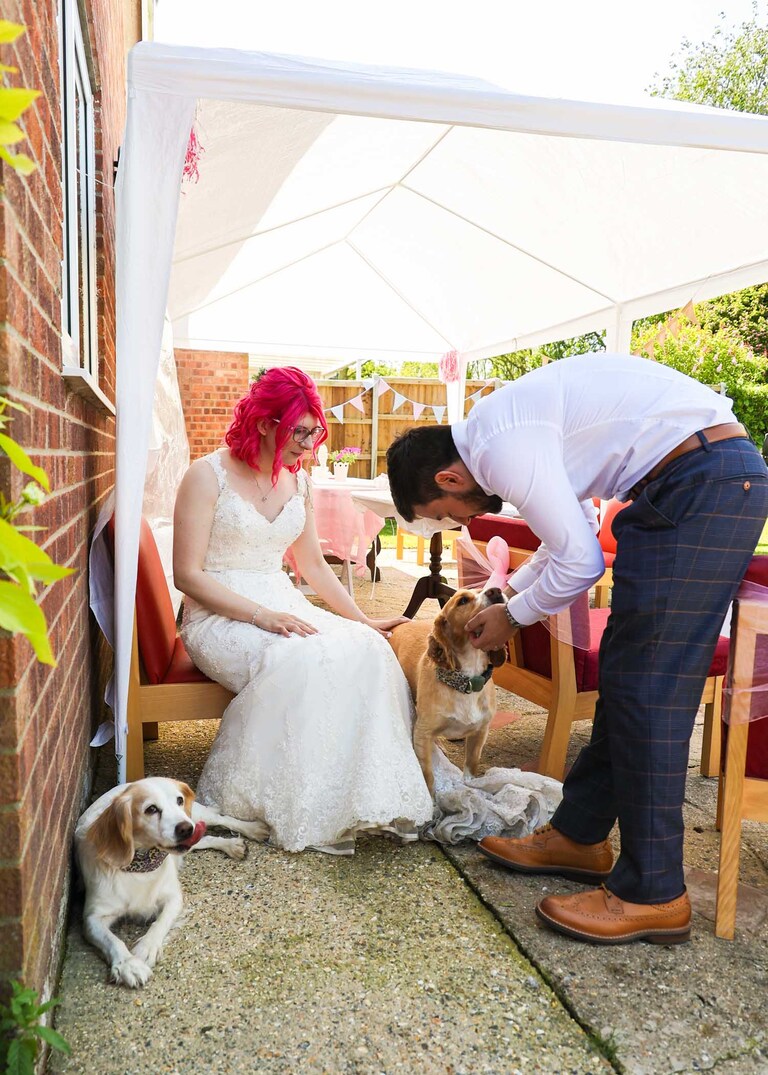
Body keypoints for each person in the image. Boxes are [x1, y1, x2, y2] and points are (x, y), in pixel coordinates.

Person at [386, 352, 768, 944]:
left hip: (702, 483)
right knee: (627, 675)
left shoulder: (500, 449)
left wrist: (510, 616)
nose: (464, 519)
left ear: (448, 479)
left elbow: (581, 563)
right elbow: (575, 539)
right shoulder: (499, 432)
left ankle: (654, 892)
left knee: (650, 691)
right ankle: (581, 835)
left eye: (446, 514)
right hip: (689, 481)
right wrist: (508, 595)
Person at [173, 367, 434, 853]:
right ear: (266, 422)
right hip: (218, 614)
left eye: (315, 432)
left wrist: (366, 621)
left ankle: (355, 789)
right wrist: (259, 616)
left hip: (283, 600)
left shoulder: (301, 482)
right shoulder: (205, 476)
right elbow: (187, 576)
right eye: (301, 431)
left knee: (366, 649)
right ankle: (295, 798)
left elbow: (313, 566)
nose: (309, 444)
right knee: (300, 658)